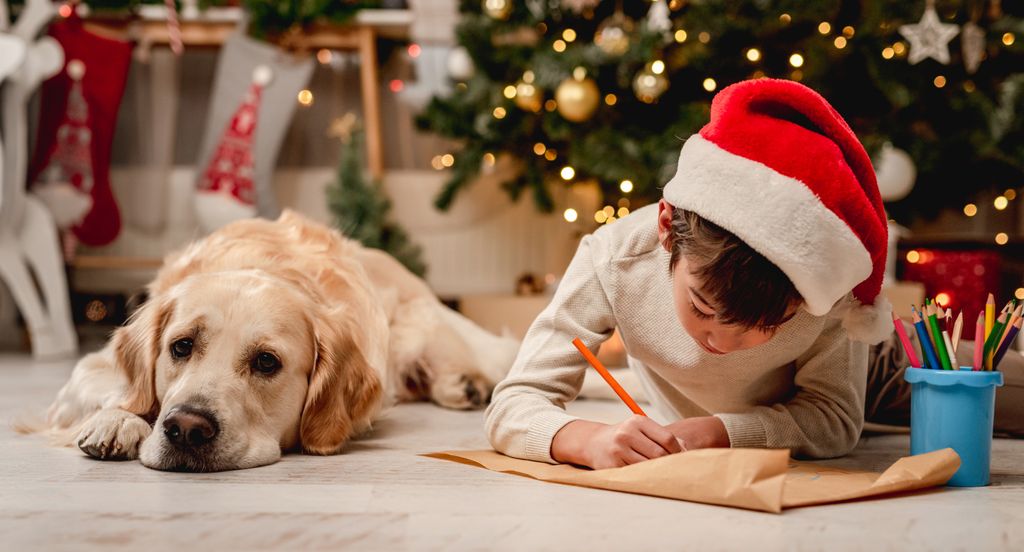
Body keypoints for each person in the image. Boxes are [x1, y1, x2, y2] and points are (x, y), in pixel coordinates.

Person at [485, 78, 1022, 470]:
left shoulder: (825, 287)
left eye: (768, 325)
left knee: (993, 386)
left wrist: (724, 432)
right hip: (748, 403)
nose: (725, 343)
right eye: (702, 307)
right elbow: (514, 402)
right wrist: (583, 440)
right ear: (668, 228)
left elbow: (835, 420)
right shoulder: (612, 259)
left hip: (877, 369)